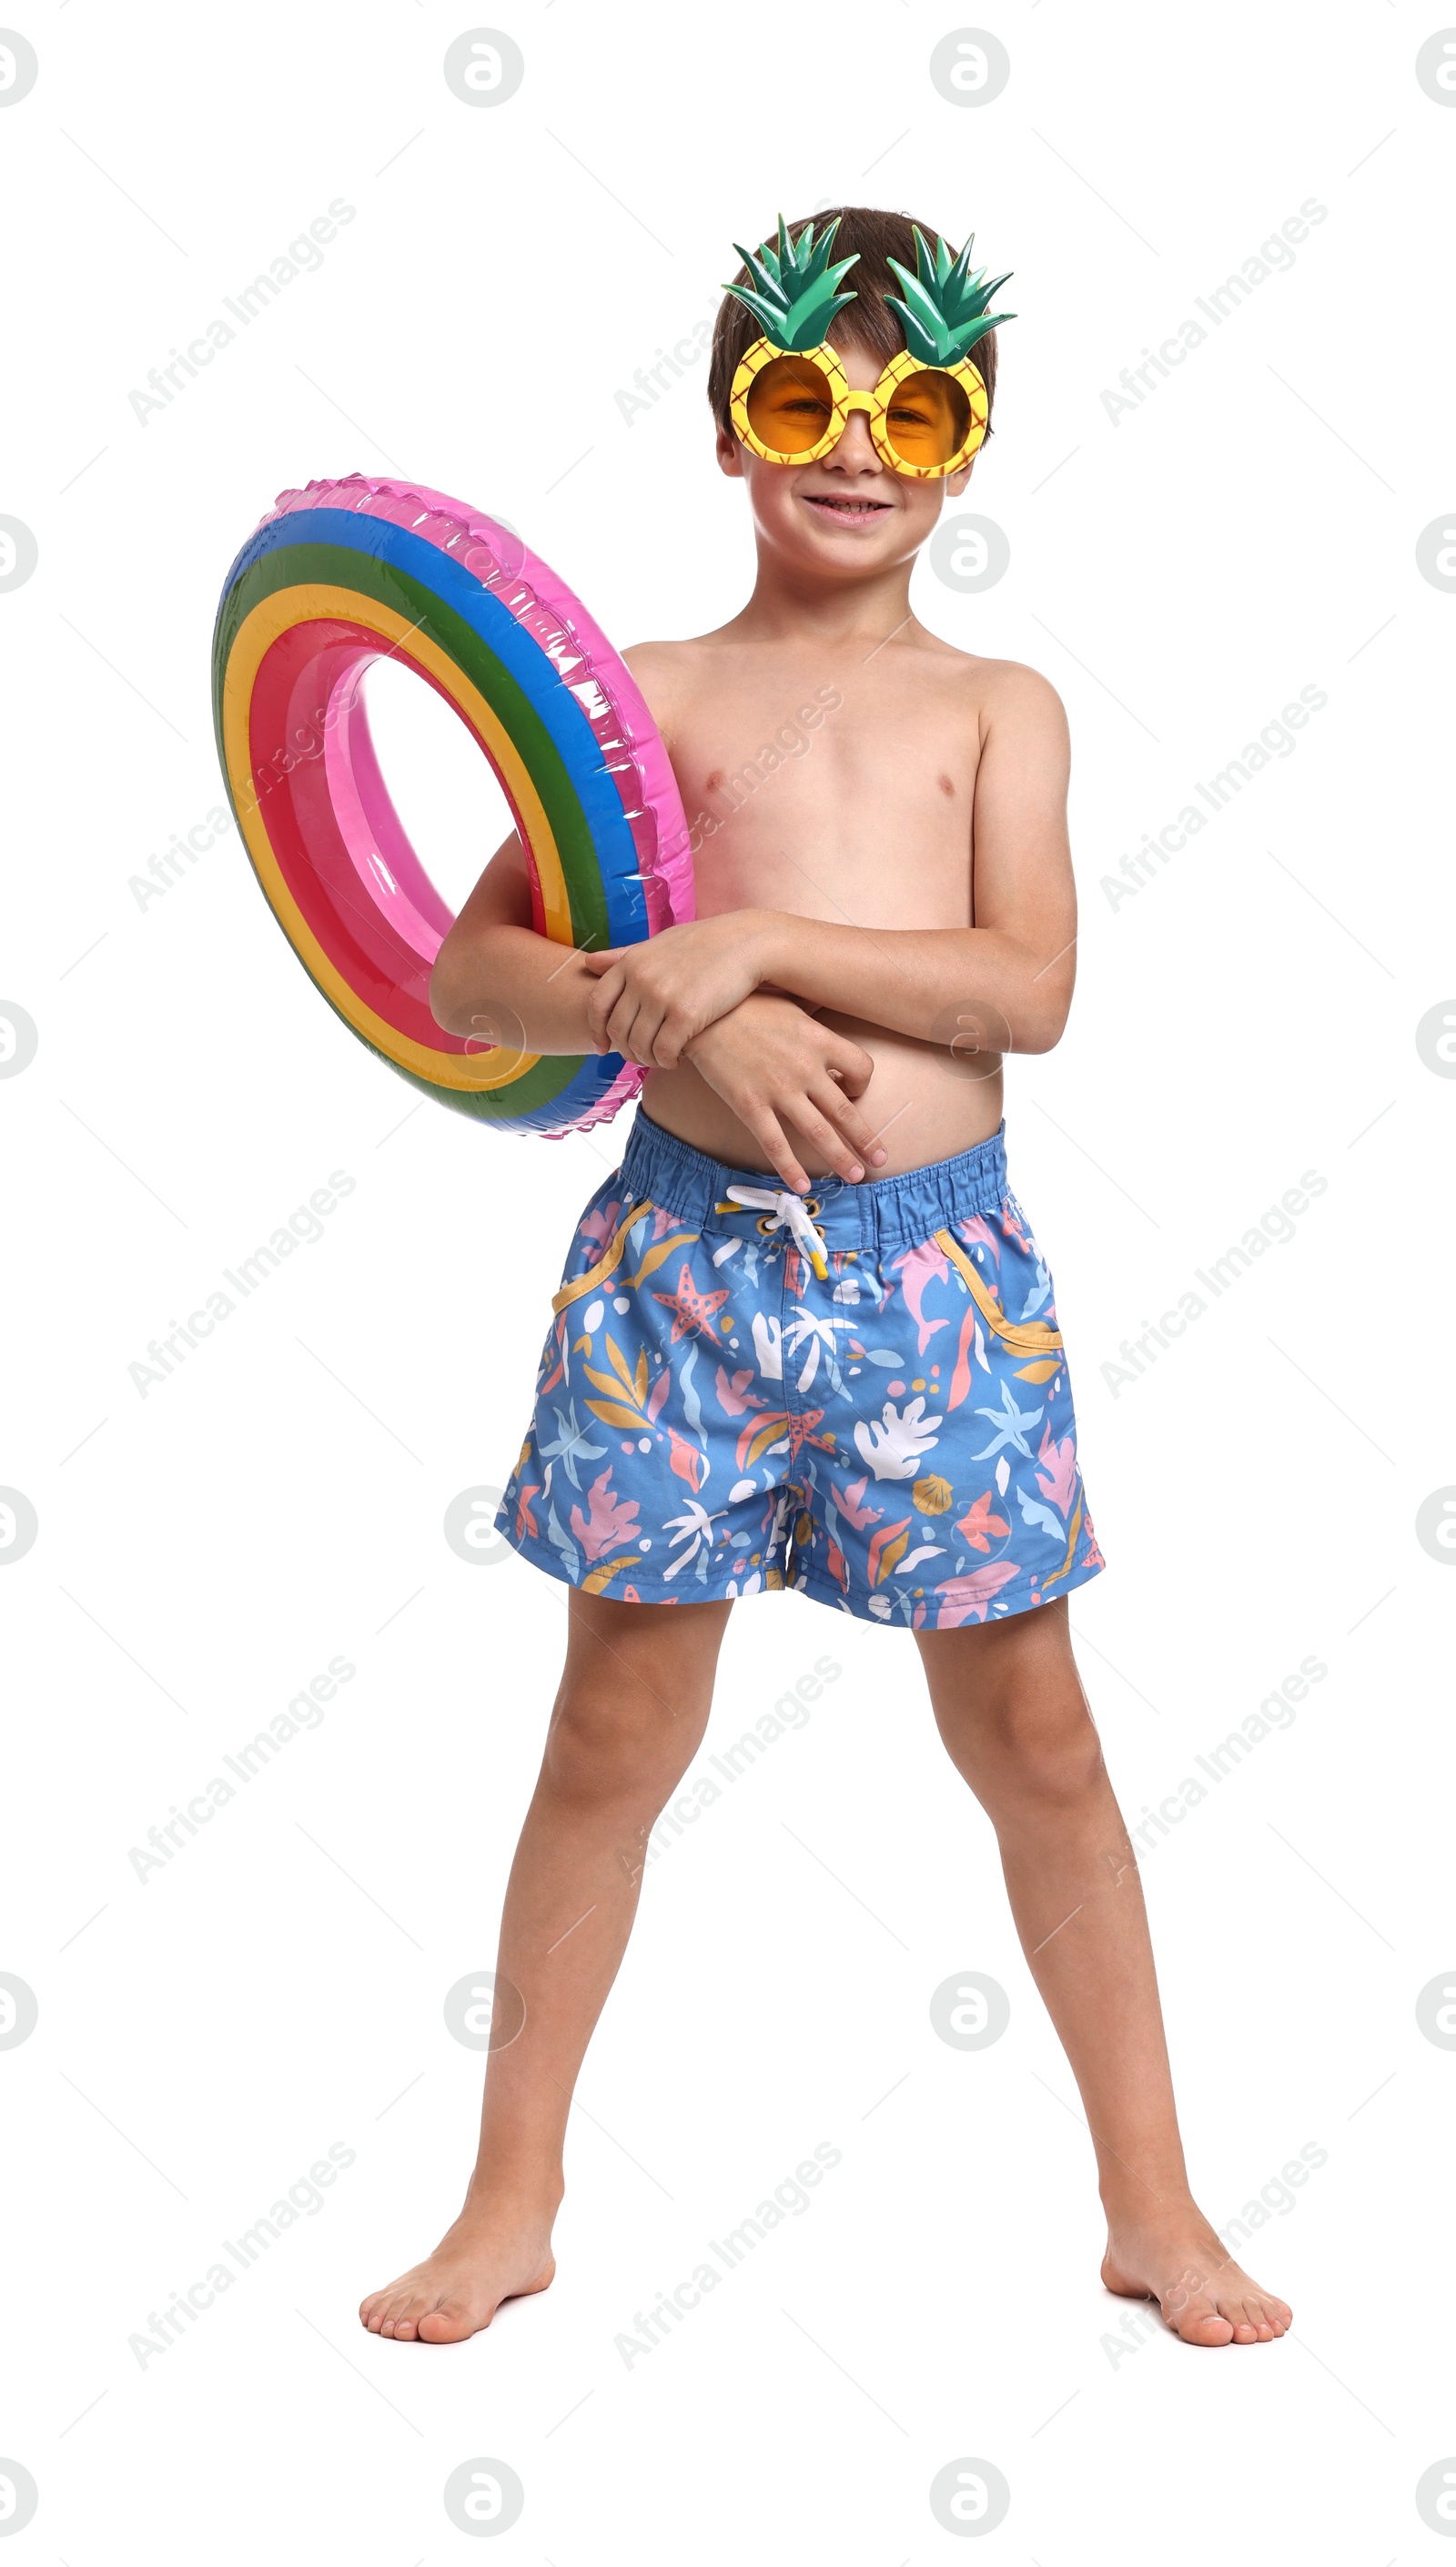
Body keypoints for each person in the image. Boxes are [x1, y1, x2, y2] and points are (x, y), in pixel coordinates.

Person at [359, 207, 1291, 2350]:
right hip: (679, 1279)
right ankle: (509, 2201)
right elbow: (468, 964)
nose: (853, 452)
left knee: (1033, 1734)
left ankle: (1151, 2206)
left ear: (965, 446)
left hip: (931, 1291)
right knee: (611, 1723)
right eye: (801, 404)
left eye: (909, 413)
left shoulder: (997, 707)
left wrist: (753, 949)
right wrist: (674, 1019)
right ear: (726, 434)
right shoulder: (643, 702)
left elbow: (1025, 982)